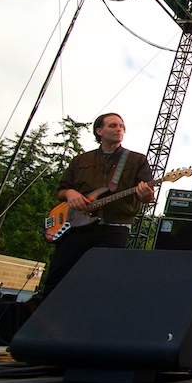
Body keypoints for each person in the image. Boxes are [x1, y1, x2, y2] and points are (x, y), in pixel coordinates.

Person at [40, 113, 154, 300]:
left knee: (103, 283)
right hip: (75, 227)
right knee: (57, 279)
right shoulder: (81, 160)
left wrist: (147, 195)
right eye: (113, 126)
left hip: (113, 228)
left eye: (121, 126)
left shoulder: (136, 160)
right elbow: (61, 190)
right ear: (99, 131)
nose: (119, 129)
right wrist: (70, 194)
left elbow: (148, 196)